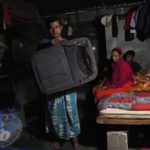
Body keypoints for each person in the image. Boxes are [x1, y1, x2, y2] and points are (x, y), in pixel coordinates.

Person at [38, 17, 81, 150]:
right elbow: (38, 61)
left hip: (67, 84)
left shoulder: (68, 43)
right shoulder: (43, 43)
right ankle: (56, 138)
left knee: (70, 111)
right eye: (51, 27)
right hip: (52, 85)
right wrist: (49, 45)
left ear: (61, 28)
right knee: (54, 113)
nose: (54, 30)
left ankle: (75, 140)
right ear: (48, 29)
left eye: (57, 26)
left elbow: (73, 63)